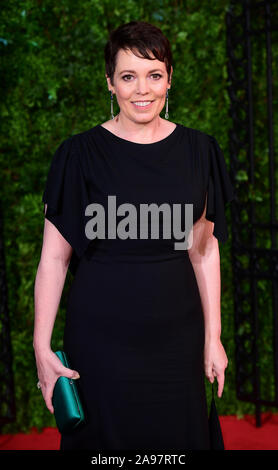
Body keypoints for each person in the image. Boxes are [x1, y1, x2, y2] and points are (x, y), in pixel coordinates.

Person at [33, 20, 234, 450]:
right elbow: (54, 258)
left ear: (169, 79)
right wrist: (40, 346)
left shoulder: (200, 152)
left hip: (176, 344)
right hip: (99, 346)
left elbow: (203, 251)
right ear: (110, 83)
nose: (142, 89)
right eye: (128, 76)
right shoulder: (78, 155)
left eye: (153, 74)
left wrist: (213, 337)